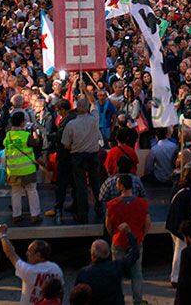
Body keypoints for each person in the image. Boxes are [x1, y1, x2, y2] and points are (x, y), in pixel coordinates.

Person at [105, 175, 150, 305]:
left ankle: (118, 299)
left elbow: (108, 224)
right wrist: (142, 235)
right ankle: (138, 300)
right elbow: (147, 221)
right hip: (136, 240)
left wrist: (114, 234)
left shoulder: (112, 205)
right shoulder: (142, 203)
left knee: (117, 274)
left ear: (121, 186)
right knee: (137, 273)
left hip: (118, 241)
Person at [0, 225, 63, 305]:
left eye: (29, 251)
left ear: (38, 255)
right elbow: (61, 292)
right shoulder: (56, 269)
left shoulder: (28, 270)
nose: (26, 254)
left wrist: (2, 234)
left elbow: (10, 253)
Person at [73, 229, 141, 305]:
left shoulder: (83, 273)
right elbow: (134, 253)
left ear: (92, 254)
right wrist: (129, 233)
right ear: (108, 254)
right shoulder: (116, 266)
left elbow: (77, 296)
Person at [64, 97, 104, 224]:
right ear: (87, 109)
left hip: (78, 156)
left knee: (81, 186)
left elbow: (66, 144)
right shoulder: (95, 119)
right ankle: (99, 209)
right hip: (93, 155)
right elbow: (94, 102)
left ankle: (83, 214)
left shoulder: (71, 124)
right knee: (95, 183)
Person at [4, 110, 43, 223]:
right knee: (32, 190)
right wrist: (37, 136)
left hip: (13, 169)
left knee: (16, 192)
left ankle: (16, 215)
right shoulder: (26, 135)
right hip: (27, 169)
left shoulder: (8, 136)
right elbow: (36, 143)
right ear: (22, 123)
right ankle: (35, 215)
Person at [165, 166, 191, 286]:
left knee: (177, 250)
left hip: (172, 222)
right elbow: (190, 213)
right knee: (180, 251)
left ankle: (178, 275)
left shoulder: (177, 187)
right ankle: (175, 277)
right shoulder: (189, 193)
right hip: (181, 226)